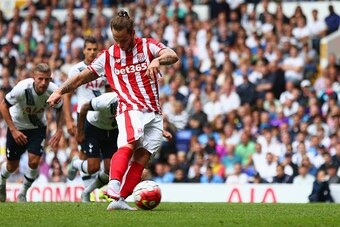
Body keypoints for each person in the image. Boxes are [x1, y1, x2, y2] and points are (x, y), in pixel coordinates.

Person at [47, 10, 179, 210]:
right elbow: (81, 77)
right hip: (129, 108)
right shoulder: (108, 55)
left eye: (124, 40)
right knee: (130, 143)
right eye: (116, 39)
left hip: (154, 111)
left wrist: (157, 60)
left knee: (143, 157)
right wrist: (59, 91)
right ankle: (113, 185)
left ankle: (119, 200)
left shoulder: (147, 45)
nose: (120, 44)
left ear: (132, 32)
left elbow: (172, 55)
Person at [0, 63, 63, 202]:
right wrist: (13, 130)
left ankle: (23, 192)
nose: (44, 83)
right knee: (12, 166)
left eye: (47, 79)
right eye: (40, 78)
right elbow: (3, 105)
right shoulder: (22, 89)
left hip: (37, 128)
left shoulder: (53, 91)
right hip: (17, 127)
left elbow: (60, 107)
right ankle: (2, 181)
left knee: (34, 162)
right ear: (34, 77)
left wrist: (59, 130)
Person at [63, 36, 108, 189]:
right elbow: (67, 96)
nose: (92, 52)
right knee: (86, 156)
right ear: (83, 50)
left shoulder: (105, 68)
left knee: (95, 159)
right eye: (89, 49)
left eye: (95, 49)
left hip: (102, 116)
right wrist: (68, 120)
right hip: (84, 117)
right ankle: (87, 193)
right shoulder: (76, 70)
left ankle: (78, 169)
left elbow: (110, 91)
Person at [68, 92, 119, 202]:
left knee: (110, 171)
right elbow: (84, 108)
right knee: (93, 168)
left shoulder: (133, 103)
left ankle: (86, 192)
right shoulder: (105, 101)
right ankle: (75, 163)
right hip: (94, 128)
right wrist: (80, 131)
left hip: (112, 131)